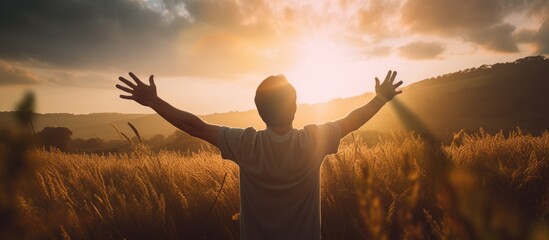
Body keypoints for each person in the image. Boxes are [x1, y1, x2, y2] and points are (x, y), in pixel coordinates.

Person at [116, 70, 403, 240]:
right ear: (294, 108)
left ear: (260, 112)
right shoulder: (313, 140)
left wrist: (154, 101)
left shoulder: (245, 144)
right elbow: (353, 120)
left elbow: (195, 126)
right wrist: (380, 98)